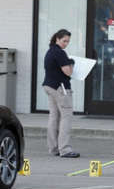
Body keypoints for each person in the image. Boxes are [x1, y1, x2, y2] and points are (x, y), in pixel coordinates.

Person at [42, 29, 79, 158]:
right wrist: (72, 63)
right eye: (64, 41)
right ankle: (65, 149)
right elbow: (68, 72)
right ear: (57, 39)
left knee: (54, 117)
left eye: (68, 41)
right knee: (66, 117)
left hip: (49, 86)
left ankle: (53, 148)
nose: (66, 44)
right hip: (60, 88)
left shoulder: (50, 51)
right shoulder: (60, 53)